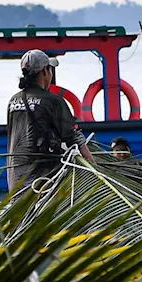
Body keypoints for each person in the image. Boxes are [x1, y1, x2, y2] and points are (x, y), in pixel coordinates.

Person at [6, 50, 94, 191]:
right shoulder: (52, 101)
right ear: (45, 72)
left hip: (15, 182)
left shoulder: (13, 101)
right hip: (42, 182)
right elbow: (75, 138)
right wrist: (94, 168)